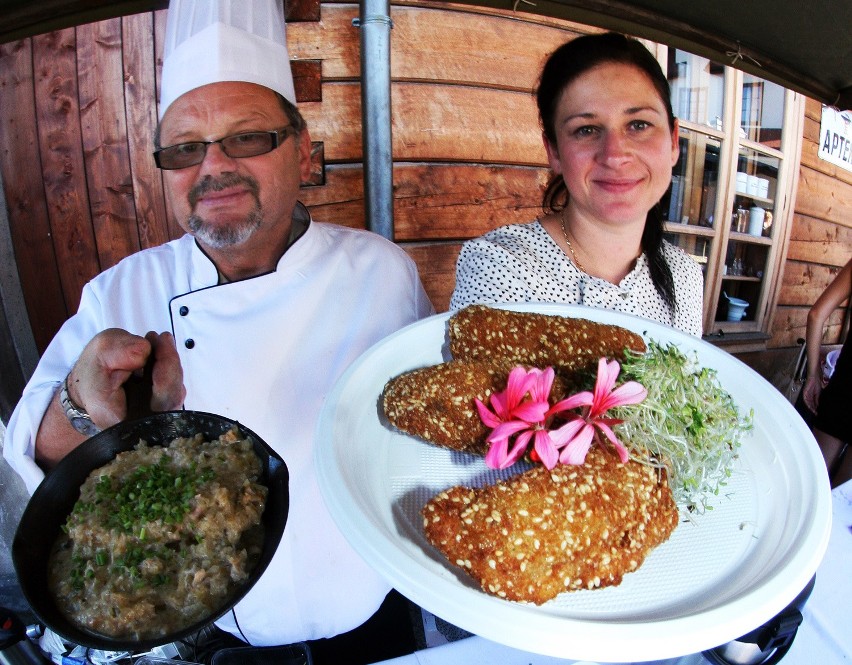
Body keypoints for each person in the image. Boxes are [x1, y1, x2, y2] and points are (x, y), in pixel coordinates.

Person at [2, 0, 433, 660]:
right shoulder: (119, 292)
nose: (215, 165)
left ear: (304, 152)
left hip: (377, 599)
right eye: (184, 147)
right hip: (218, 624)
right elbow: (26, 485)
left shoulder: (382, 269)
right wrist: (79, 406)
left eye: (248, 137)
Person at [450, 32, 704, 336]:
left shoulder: (684, 277)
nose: (614, 155)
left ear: (674, 141)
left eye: (638, 125)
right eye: (586, 130)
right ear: (554, 151)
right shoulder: (501, 268)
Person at [803, 257, 851, 487]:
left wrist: (812, 375)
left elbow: (816, 315)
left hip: (844, 390)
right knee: (842, 500)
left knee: (810, 485)